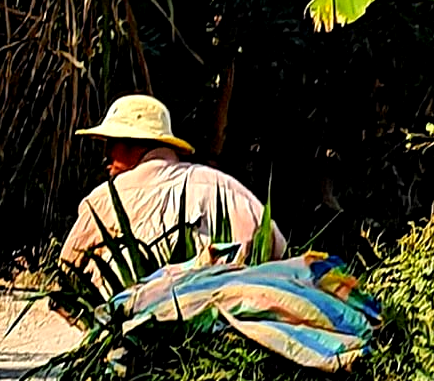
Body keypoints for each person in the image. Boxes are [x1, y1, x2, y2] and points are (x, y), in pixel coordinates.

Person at [58, 94, 286, 274]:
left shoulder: (105, 200)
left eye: (112, 143)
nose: (106, 154)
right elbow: (277, 249)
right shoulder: (224, 187)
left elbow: (68, 272)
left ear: (135, 144)